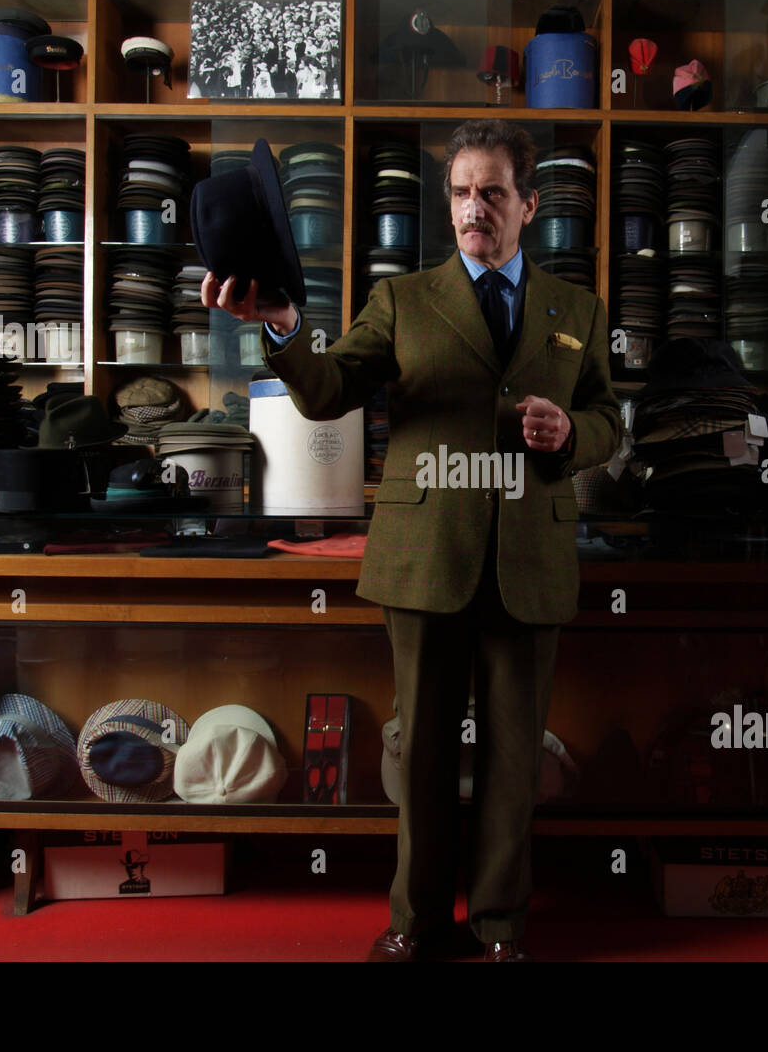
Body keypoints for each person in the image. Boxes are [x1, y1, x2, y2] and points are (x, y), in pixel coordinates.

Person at [201, 119, 620, 961]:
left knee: (513, 761)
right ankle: (416, 925)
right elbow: (325, 393)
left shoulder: (576, 308)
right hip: (428, 559)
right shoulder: (403, 300)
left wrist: (572, 429)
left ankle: (501, 928)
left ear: (528, 204)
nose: (474, 208)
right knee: (422, 756)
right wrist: (283, 326)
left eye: (492, 192)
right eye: (461, 192)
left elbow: (611, 420)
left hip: (529, 561)